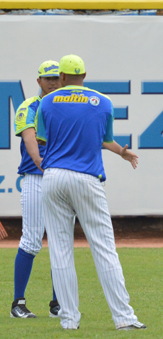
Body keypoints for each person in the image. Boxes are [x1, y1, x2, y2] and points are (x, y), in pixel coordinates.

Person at [35, 54, 145, 330]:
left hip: (53, 177)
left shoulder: (46, 102)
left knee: (60, 251)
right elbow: (104, 139)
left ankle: (69, 320)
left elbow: (42, 140)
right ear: (84, 76)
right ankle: (124, 318)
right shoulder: (103, 102)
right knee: (104, 248)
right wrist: (122, 151)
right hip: (86, 177)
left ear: (61, 77)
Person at [11, 60, 61, 319]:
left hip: (61, 178)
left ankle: (58, 303)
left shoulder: (67, 106)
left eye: (56, 78)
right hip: (35, 176)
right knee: (31, 240)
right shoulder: (30, 105)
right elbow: (29, 137)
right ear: (38, 81)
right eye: (48, 78)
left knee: (60, 242)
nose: (53, 82)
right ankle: (18, 303)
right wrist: (43, 164)